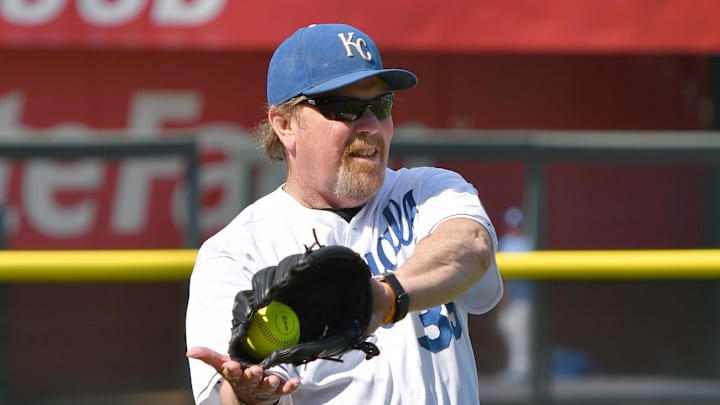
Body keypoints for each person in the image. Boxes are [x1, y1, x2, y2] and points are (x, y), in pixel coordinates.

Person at [185, 23, 504, 405]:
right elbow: (225, 395)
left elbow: (470, 245)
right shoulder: (237, 252)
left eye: (380, 105)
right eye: (346, 109)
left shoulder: (427, 190)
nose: (370, 126)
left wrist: (382, 299)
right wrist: (247, 395)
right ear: (285, 125)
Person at [496, 206, 534, 384]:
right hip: (507, 297)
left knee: (521, 333)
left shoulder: (528, 243)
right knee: (506, 329)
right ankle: (517, 369)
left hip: (524, 297)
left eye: (517, 225)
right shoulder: (504, 243)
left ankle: (521, 371)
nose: (515, 228)